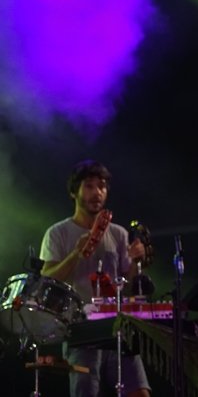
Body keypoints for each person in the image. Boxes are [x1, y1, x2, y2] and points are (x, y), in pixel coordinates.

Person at [40, 160, 151, 397]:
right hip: (80, 328)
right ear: (74, 192)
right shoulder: (57, 233)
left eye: (101, 186)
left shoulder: (119, 233)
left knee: (139, 392)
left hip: (117, 326)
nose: (97, 192)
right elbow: (46, 280)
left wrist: (136, 262)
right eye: (89, 186)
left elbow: (128, 287)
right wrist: (75, 254)